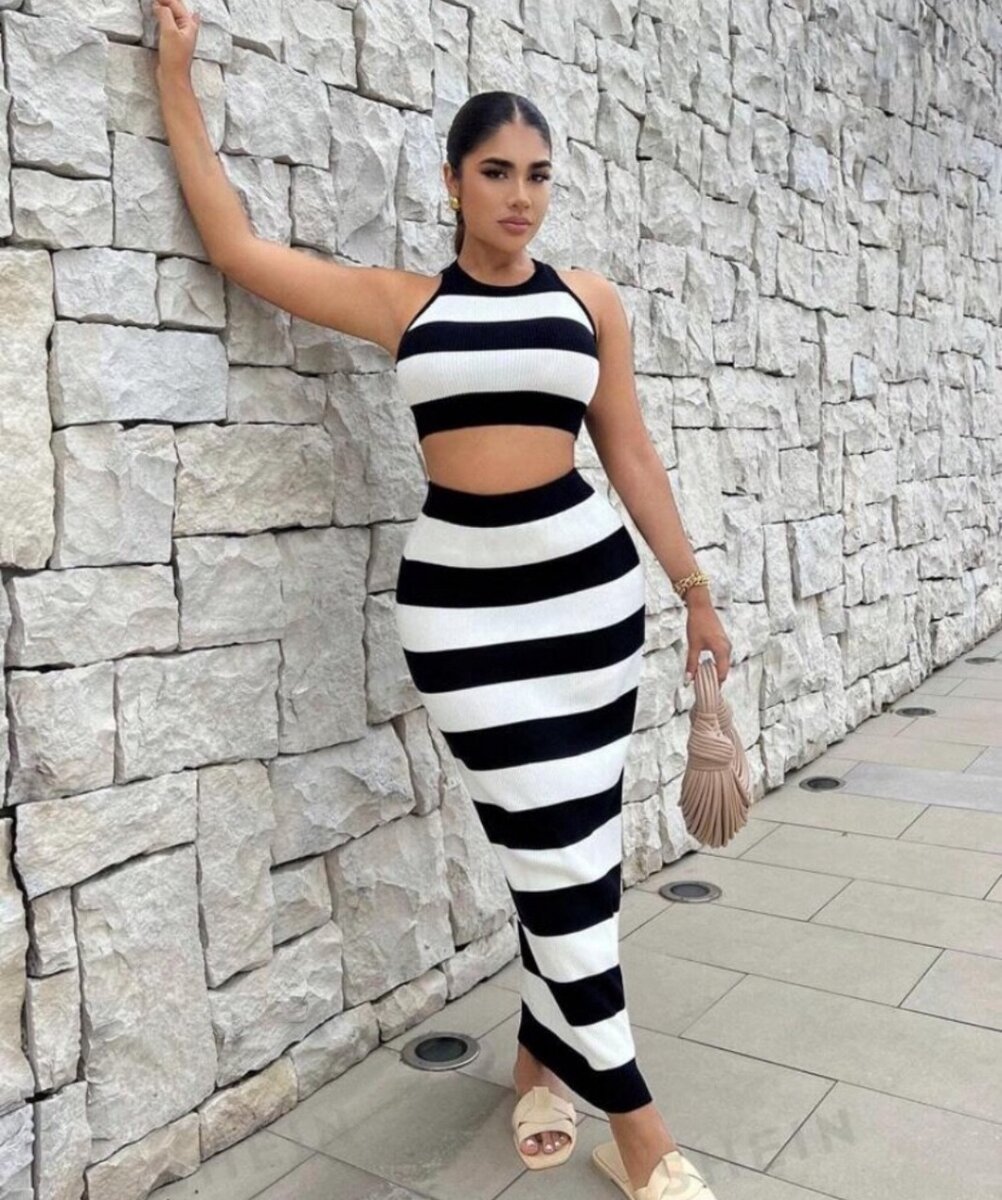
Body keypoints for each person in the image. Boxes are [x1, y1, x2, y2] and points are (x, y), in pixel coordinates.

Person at [153, 3, 731, 1196]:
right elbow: (239, 249)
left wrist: (694, 589)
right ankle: (640, 1127)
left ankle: (536, 1065)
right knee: (551, 852)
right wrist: (176, 77)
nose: (521, 196)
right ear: (454, 181)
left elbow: (630, 452)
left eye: (538, 175)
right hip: (463, 622)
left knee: (570, 858)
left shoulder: (589, 302)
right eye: (497, 173)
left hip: (589, 610)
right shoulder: (405, 306)